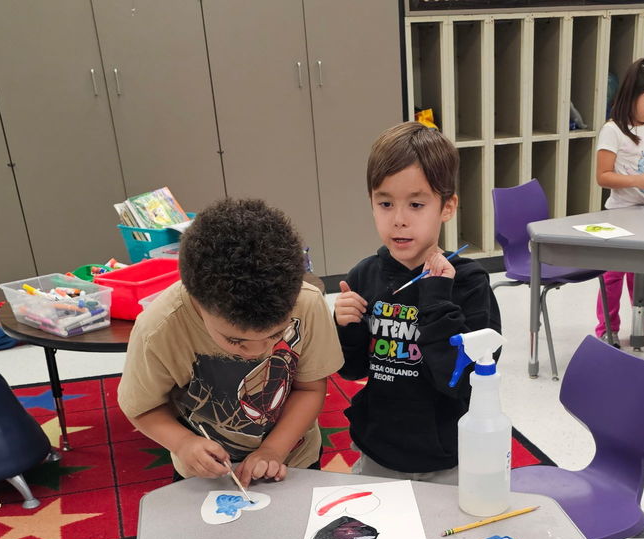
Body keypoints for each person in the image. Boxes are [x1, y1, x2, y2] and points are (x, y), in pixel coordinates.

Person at [118, 197, 342, 484]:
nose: (257, 351)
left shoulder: (307, 304)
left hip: (294, 459)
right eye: (236, 341)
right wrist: (183, 443)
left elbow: (310, 389)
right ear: (197, 301)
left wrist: (274, 449)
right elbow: (142, 407)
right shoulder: (158, 330)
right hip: (204, 472)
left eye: (276, 335)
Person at [333, 121, 500, 482]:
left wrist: (436, 298)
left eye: (416, 204)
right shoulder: (364, 274)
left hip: (447, 456)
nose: (399, 220)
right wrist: (346, 328)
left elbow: (463, 381)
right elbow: (353, 370)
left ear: (447, 206)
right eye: (385, 203)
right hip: (377, 449)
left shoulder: (469, 283)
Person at [595, 57, 644, 348]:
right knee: (613, 274)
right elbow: (603, 176)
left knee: (640, 271)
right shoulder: (613, 130)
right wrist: (636, 180)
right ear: (632, 94)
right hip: (620, 215)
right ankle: (607, 327)